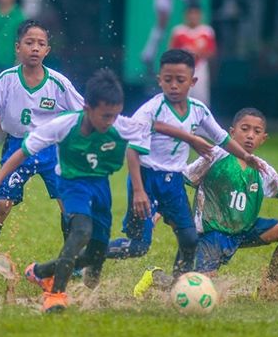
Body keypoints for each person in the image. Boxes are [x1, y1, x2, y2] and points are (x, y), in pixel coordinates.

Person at [0, 69, 214, 313]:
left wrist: (191, 139)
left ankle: (41, 271)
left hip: (101, 186)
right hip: (72, 184)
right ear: (87, 108)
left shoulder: (119, 124)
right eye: (105, 116)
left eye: (114, 115)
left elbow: (155, 125)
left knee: (95, 254)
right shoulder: (63, 125)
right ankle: (55, 294)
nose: (110, 122)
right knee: (81, 231)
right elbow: (22, 152)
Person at [133, 107, 278, 298]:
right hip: (212, 234)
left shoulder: (261, 168)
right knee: (197, 287)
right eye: (245, 129)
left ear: (263, 139)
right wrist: (159, 211)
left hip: (245, 230)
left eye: (256, 132)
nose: (250, 135)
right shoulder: (215, 155)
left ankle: (269, 289)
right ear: (231, 133)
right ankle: (155, 276)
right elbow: (179, 180)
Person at [106, 49, 261, 278]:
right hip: (147, 180)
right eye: (168, 80)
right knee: (139, 246)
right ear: (159, 80)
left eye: (180, 80)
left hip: (174, 184)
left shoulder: (198, 110)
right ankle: (92, 251)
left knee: (189, 240)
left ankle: (178, 285)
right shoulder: (151, 109)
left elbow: (222, 138)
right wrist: (139, 191)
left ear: (193, 81)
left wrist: (246, 156)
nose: (174, 86)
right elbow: (132, 152)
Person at [0, 20, 84, 280]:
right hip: (17, 147)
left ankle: (73, 262)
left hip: (52, 150)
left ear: (47, 50)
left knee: (68, 206)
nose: (35, 48)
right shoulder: (7, 79)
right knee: (1, 203)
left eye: (41, 44)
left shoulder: (58, 83)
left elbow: (83, 112)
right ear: (17, 47)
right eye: (29, 42)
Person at [169, 3, 217, 106]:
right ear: (185, 15)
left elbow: (212, 52)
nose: (193, 16)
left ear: (200, 15)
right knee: (182, 97)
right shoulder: (178, 31)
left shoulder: (207, 31)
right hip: (182, 69)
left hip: (200, 68)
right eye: (190, 13)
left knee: (201, 97)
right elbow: (171, 52)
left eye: (196, 13)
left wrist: (198, 52)